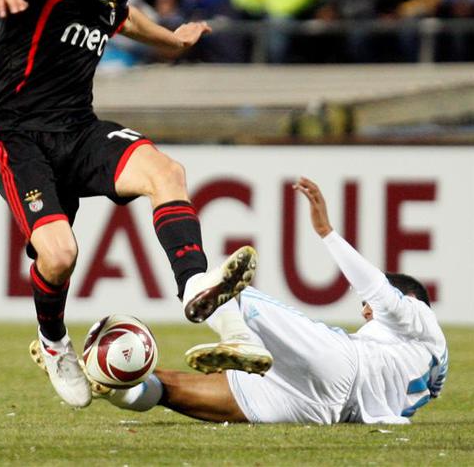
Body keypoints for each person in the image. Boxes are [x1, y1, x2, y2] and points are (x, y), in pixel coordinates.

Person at [0, 0, 260, 410]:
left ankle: (194, 285)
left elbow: (128, 18)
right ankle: (54, 342)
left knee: (166, 172)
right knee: (59, 255)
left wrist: (172, 41)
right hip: (17, 135)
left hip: (79, 129)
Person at [31, 177, 448, 425]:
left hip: (343, 366)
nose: (366, 310)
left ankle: (237, 333)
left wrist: (327, 233)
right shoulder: (429, 372)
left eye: (368, 309)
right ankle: (106, 382)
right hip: (326, 411)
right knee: (168, 390)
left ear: (411, 297)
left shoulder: (419, 318)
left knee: (232, 292)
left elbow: (378, 290)